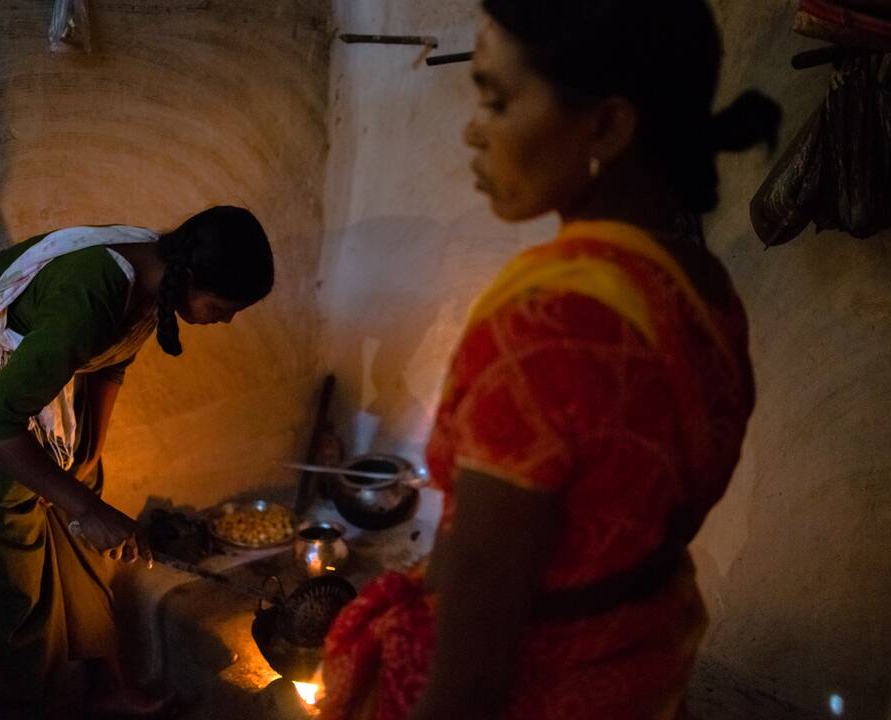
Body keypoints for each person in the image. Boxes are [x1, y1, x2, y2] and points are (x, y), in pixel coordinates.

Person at [319, 2, 781, 719]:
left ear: (606, 126)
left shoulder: (546, 328)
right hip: (642, 670)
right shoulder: (699, 287)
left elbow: (471, 681)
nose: (472, 129)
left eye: (497, 101)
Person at [0, 206, 274, 719]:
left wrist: (88, 459)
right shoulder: (93, 293)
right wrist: (86, 508)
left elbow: (112, 361)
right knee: (16, 586)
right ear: (193, 278)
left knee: (89, 532)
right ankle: (34, 707)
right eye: (225, 306)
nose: (226, 320)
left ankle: (105, 685)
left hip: (38, 391)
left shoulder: (157, 275)